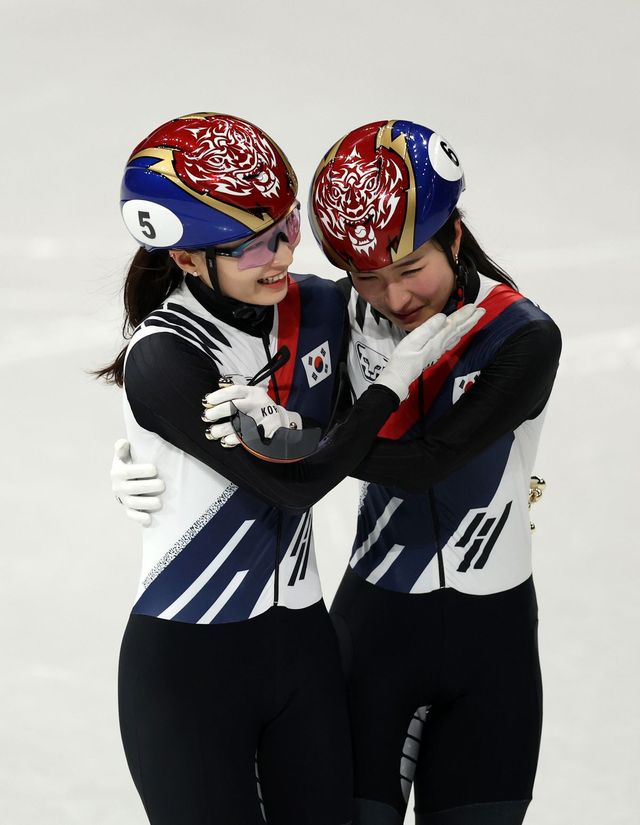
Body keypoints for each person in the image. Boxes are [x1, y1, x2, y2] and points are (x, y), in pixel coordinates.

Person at [111, 118, 559, 825]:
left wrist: (295, 438)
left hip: (392, 652)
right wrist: (154, 450)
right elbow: (279, 456)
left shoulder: (498, 332)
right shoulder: (223, 340)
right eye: (371, 278)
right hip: (276, 649)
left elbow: (418, 450)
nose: (397, 297)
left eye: (287, 226)